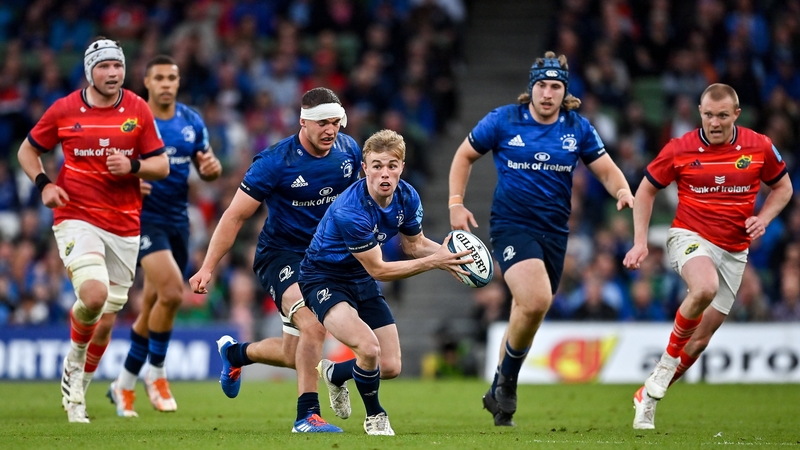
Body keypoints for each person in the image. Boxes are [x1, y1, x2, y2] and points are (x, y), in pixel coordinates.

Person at [448, 51, 635, 427]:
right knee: (536, 299)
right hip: (511, 225)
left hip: (555, 232)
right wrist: (455, 204)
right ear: (530, 88)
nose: (547, 93)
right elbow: (463, 156)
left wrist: (622, 190)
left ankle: (498, 395)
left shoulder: (577, 127)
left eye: (555, 86)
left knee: (527, 312)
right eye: (542, 85)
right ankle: (508, 387)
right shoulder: (502, 120)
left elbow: (606, 169)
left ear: (564, 91)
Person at [189, 87, 361, 433]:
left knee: (291, 354)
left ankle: (236, 355)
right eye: (323, 123)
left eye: (335, 123)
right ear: (303, 122)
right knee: (314, 325)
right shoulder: (274, 162)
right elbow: (234, 216)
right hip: (281, 256)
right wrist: (208, 266)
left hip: (323, 258)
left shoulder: (349, 151)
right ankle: (306, 416)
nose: (330, 130)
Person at [16, 37, 169, 423]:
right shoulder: (65, 109)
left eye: (117, 66)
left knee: (103, 326)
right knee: (94, 295)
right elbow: (27, 150)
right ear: (90, 71)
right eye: (104, 67)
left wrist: (133, 168)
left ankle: (76, 389)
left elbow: (161, 165)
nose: (113, 73)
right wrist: (44, 185)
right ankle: (73, 360)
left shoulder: (137, 108)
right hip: (75, 214)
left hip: (125, 224)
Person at [623, 83, 793, 430]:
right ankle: (667, 363)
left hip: (734, 250)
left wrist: (764, 218)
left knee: (699, 342)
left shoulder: (758, 145)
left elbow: (784, 187)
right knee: (703, 288)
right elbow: (645, 190)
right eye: (708, 114)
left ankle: (648, 397)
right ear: (699, 112)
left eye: (722, 116)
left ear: (736, 115)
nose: (714, 122)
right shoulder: (679, 148)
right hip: (690, 235)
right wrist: (640, 242)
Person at [299, 129, 471, 436]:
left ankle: (335, 374)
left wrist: (454, 257)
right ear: (365, 168)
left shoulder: (407, 195)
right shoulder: (351, 209)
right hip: (323, 278)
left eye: (392, 165)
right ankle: (375, 417)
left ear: (402, 166)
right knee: (368, 348)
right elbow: (379, 269)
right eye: (376, 165)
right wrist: (437, 262)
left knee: (390, 367)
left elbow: (414, 245)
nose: (384, 173)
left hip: (359, 278)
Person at [93, 55, 221, 417]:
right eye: (159, 78)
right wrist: (130, 180)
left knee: (152, 307)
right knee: (170, 293)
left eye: (172, 78)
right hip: (141, 219)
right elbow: (103, 168)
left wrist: (212, 170)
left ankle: (124, 384)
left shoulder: (191, 120)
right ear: (146, 82)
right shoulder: (130, 120)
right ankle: (158, 374)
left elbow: (208, 168)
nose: (166, 83)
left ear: (178, 83)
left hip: (178, 221)